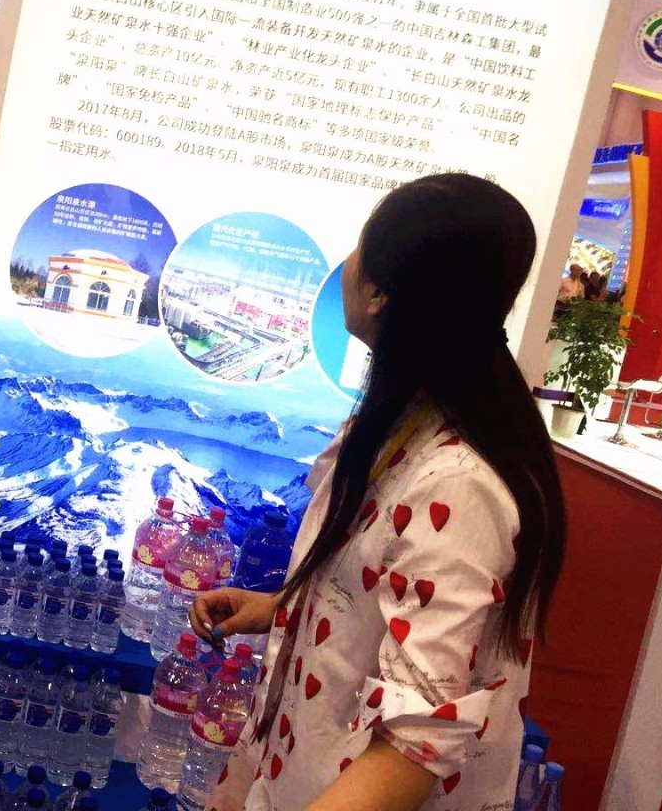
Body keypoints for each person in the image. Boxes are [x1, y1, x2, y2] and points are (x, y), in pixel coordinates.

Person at [193, 174, 566, 811]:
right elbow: (393, 586)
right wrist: (287, 606)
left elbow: (416, 745)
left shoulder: (459, 483)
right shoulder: (407, 425)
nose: (346, 265)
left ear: (378, 294)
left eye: (359, 247)